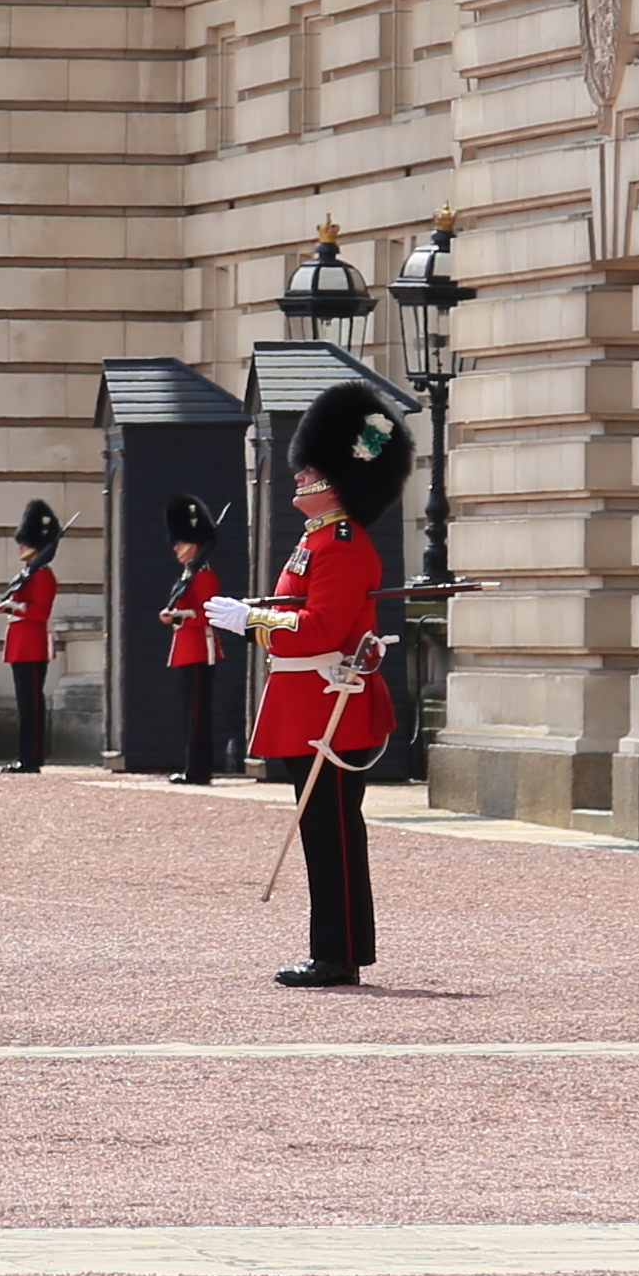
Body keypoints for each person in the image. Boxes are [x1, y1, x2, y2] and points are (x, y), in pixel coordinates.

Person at [242, 381, 407, 987]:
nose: (298, 475)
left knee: (332, 835)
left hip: (329, 709)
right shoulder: (317, 541)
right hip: (309, 706)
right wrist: (257, 611)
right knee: (325, 833)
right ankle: (338, 949)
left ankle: (336, 956)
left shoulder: (341, 544)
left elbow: (318, 629)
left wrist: (253, 621)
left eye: (310, 467)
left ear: (335, 478)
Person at [160, 496, 224, 783]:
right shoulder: (190, 573)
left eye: (180, 541)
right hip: (187, 648)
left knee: (197, 716)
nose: (175, 547)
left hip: (200, 647)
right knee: (190, 715)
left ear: (193, 543)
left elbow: (209, 615)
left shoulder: (204, 574)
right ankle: (193, 767)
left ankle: (198, 770)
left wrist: (179, 615)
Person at [0, 499, 60, 771]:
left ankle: (31, 758)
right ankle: (26, 756)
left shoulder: (43, 575)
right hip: (21, 645)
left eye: (25, 541)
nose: (20, 545)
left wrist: (12, 606)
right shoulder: (28, 573)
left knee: (32, 704)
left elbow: (39, 612)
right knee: (25, 705)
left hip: (32, 645)